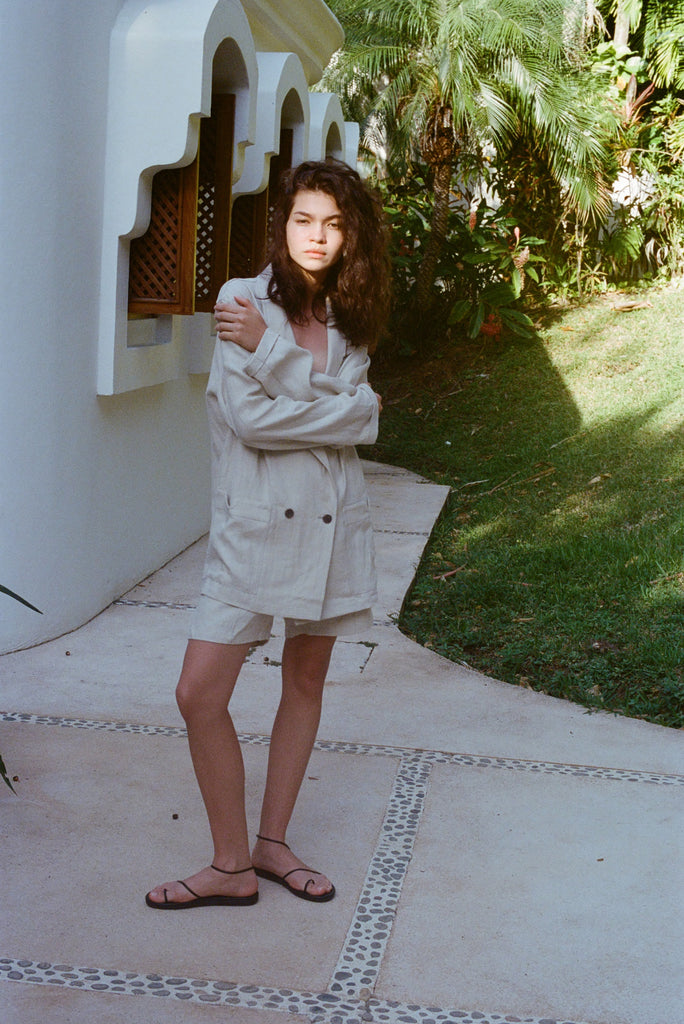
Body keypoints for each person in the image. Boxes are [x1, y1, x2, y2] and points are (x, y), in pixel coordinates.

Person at [145, 158, 390, 909]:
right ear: (282, 225)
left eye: (333, 223)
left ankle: (270, 844)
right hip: (251, 526)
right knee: (198, 692)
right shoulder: (241, 300)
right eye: (303, 219)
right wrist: (339, 408)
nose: (316, 236)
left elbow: (366, 418)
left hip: (329, 523)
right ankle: (228, 862)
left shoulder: (350, 318)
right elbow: (252, 421)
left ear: (351, 238)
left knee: (305, 680)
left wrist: (275, 359)